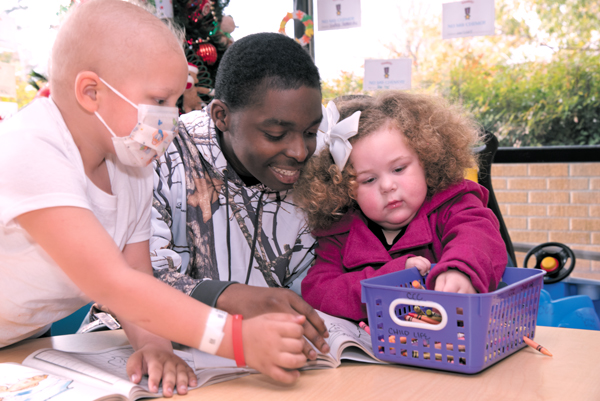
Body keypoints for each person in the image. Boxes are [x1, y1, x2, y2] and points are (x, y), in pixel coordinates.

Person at [0, 0, 309, 393]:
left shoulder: (132, 165)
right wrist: (237, 339)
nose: (173, 116)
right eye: (160, 101)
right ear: (91, 92)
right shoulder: (33, 149)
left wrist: (153, 345)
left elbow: (136, 277)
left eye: (176, 103)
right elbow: (112, 284)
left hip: (18, 343)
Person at [150, 32, 331, 358]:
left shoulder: (313, 179)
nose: (300, 152)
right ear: (222, 116)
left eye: (310, 133)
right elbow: (132, 281)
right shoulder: (162, 155)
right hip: (151, 355)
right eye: (275, 134)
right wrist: (228, 297)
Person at [293, 91, 507, 321]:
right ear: (345, 188)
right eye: (368, 180)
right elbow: (319, 290)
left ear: (426, 160)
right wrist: (393, 278)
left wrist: (462, 270)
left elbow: (478, 236)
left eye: (398, 169)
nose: (387, 186)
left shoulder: (454, 203)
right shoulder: (339, 233)